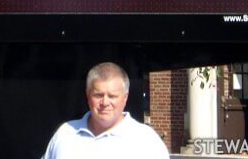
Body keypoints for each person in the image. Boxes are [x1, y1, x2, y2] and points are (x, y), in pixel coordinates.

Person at [41, 61, 169, 158]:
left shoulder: (146, 141)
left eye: (112, 96)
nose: (105, 102)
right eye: (98, 95)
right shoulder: (65, 134)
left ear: (125, 98)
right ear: (87, 95)